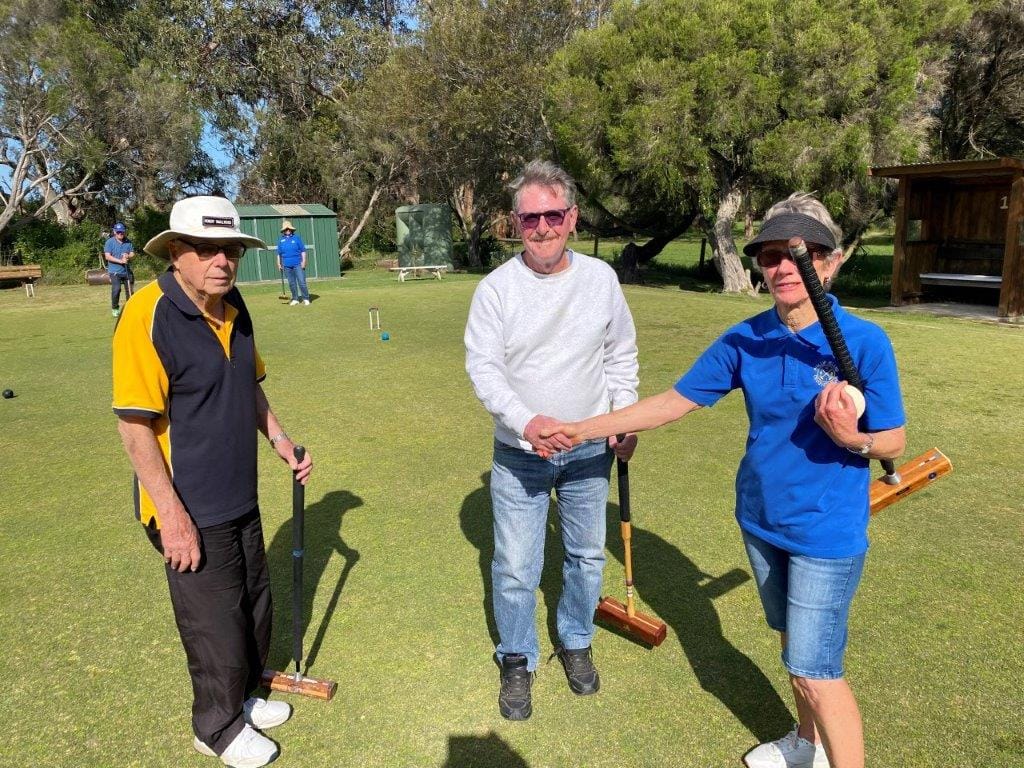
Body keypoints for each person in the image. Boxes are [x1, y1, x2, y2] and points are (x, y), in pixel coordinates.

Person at [541, 193, 906, 768]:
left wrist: (850, 438)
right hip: (761, 519)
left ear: (831, 263)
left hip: (825, 530)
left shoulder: (863, 343)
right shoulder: (745, 339)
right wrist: (580, 428)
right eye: (770, 256)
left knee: (816, 672)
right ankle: (804, 745)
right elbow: (669, 404)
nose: (785, 268)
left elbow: (894, 442)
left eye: (803, 254)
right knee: (792, 648)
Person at [112, 196, 314, 768]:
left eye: (229, 249)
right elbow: (135, 428)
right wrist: (170, 516)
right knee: (213, 622)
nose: (220, 260)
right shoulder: (146, 315)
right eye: (206, 248)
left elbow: (249, 385)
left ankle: (244, 697)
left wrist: (280, 441)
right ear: (177, 252)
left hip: (238, 493)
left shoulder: (235, 304)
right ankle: (215, 727)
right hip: (186, 503)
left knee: (253, 603)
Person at [464, 159, 640, 721]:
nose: (541, 227)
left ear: (572, 216)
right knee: (516, 566)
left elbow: (620, 355)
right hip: (520, 454)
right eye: (529, 218)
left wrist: (624, 416)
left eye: (552, 215)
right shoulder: (496, 289)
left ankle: (576, 640)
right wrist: (526, 422)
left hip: (589, 449)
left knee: (586, 556)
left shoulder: (601, 279)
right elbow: (484, 369)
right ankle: (517, 657)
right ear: (516, 224)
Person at [104, 222, 135, 317]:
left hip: (126, 271)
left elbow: (133, 254)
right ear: (114, 232)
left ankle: (130, 308)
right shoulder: (109, 242)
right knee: (116, 289)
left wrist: (128, 255)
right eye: (118, 232)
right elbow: (107, 257)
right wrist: (120, 261)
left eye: (122, 232)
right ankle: (115, 308)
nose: (120, 234)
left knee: (130, 291)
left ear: (124, 232)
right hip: (114, 271)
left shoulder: (128, 242)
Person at [276, 220, 309, 305]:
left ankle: (306, 298)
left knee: (302, 282)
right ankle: (295, 299)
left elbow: (303, 251)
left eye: (289, 229)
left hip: (298, 264)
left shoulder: (297, 238)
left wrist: (304, 261)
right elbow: (278, 254)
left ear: (291, 230)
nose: (287, 230)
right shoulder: (281, 241)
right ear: (283, 230)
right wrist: (279, 264)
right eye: (286, 229)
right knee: (291, 283)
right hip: (286, 265)